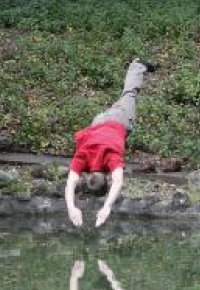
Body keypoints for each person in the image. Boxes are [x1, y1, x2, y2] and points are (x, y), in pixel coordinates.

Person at [65, 58, 156, 227]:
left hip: (118, 121)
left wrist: (107, 206)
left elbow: (119, 181)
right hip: (98, 122)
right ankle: (134, 72)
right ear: (88, 177)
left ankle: (137, 65)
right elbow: (70, 182)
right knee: (122, 101)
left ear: (108, 177)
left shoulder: (111, 159)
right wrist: (71, 207)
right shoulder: (82, 159)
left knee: (130, 94)